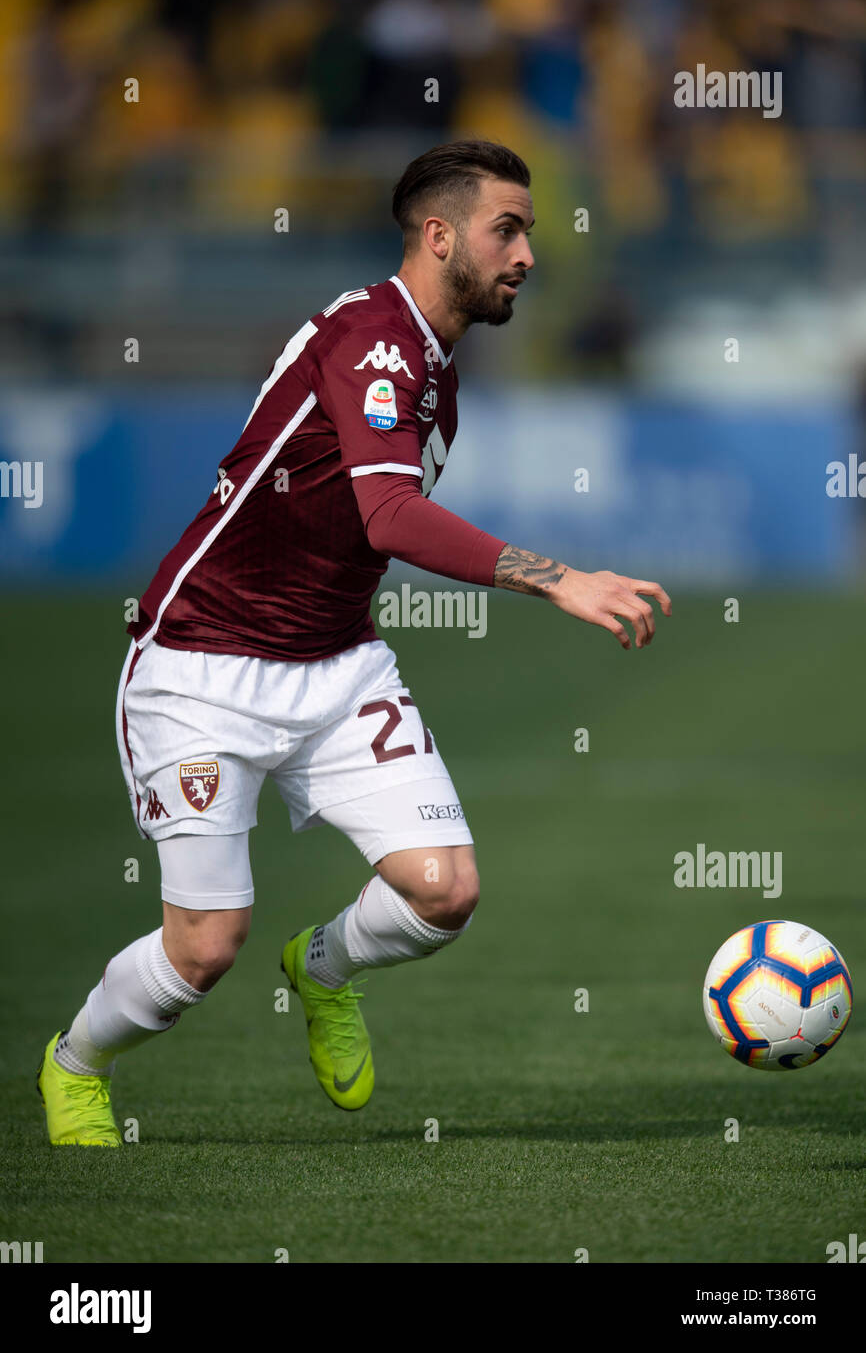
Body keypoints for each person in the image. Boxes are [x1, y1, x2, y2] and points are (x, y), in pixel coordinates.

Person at [37, 139, 671, 1144]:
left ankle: (322, 966)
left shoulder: (436, 376)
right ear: (438, 234)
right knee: (202, 949)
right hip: (202, 664)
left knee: (443, 891)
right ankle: (76, 1061)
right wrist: (557, 577)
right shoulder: (375, 339)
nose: (526, 255)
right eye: (506, 230)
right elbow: (388, 517)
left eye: (529, 234)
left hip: (334, 665)